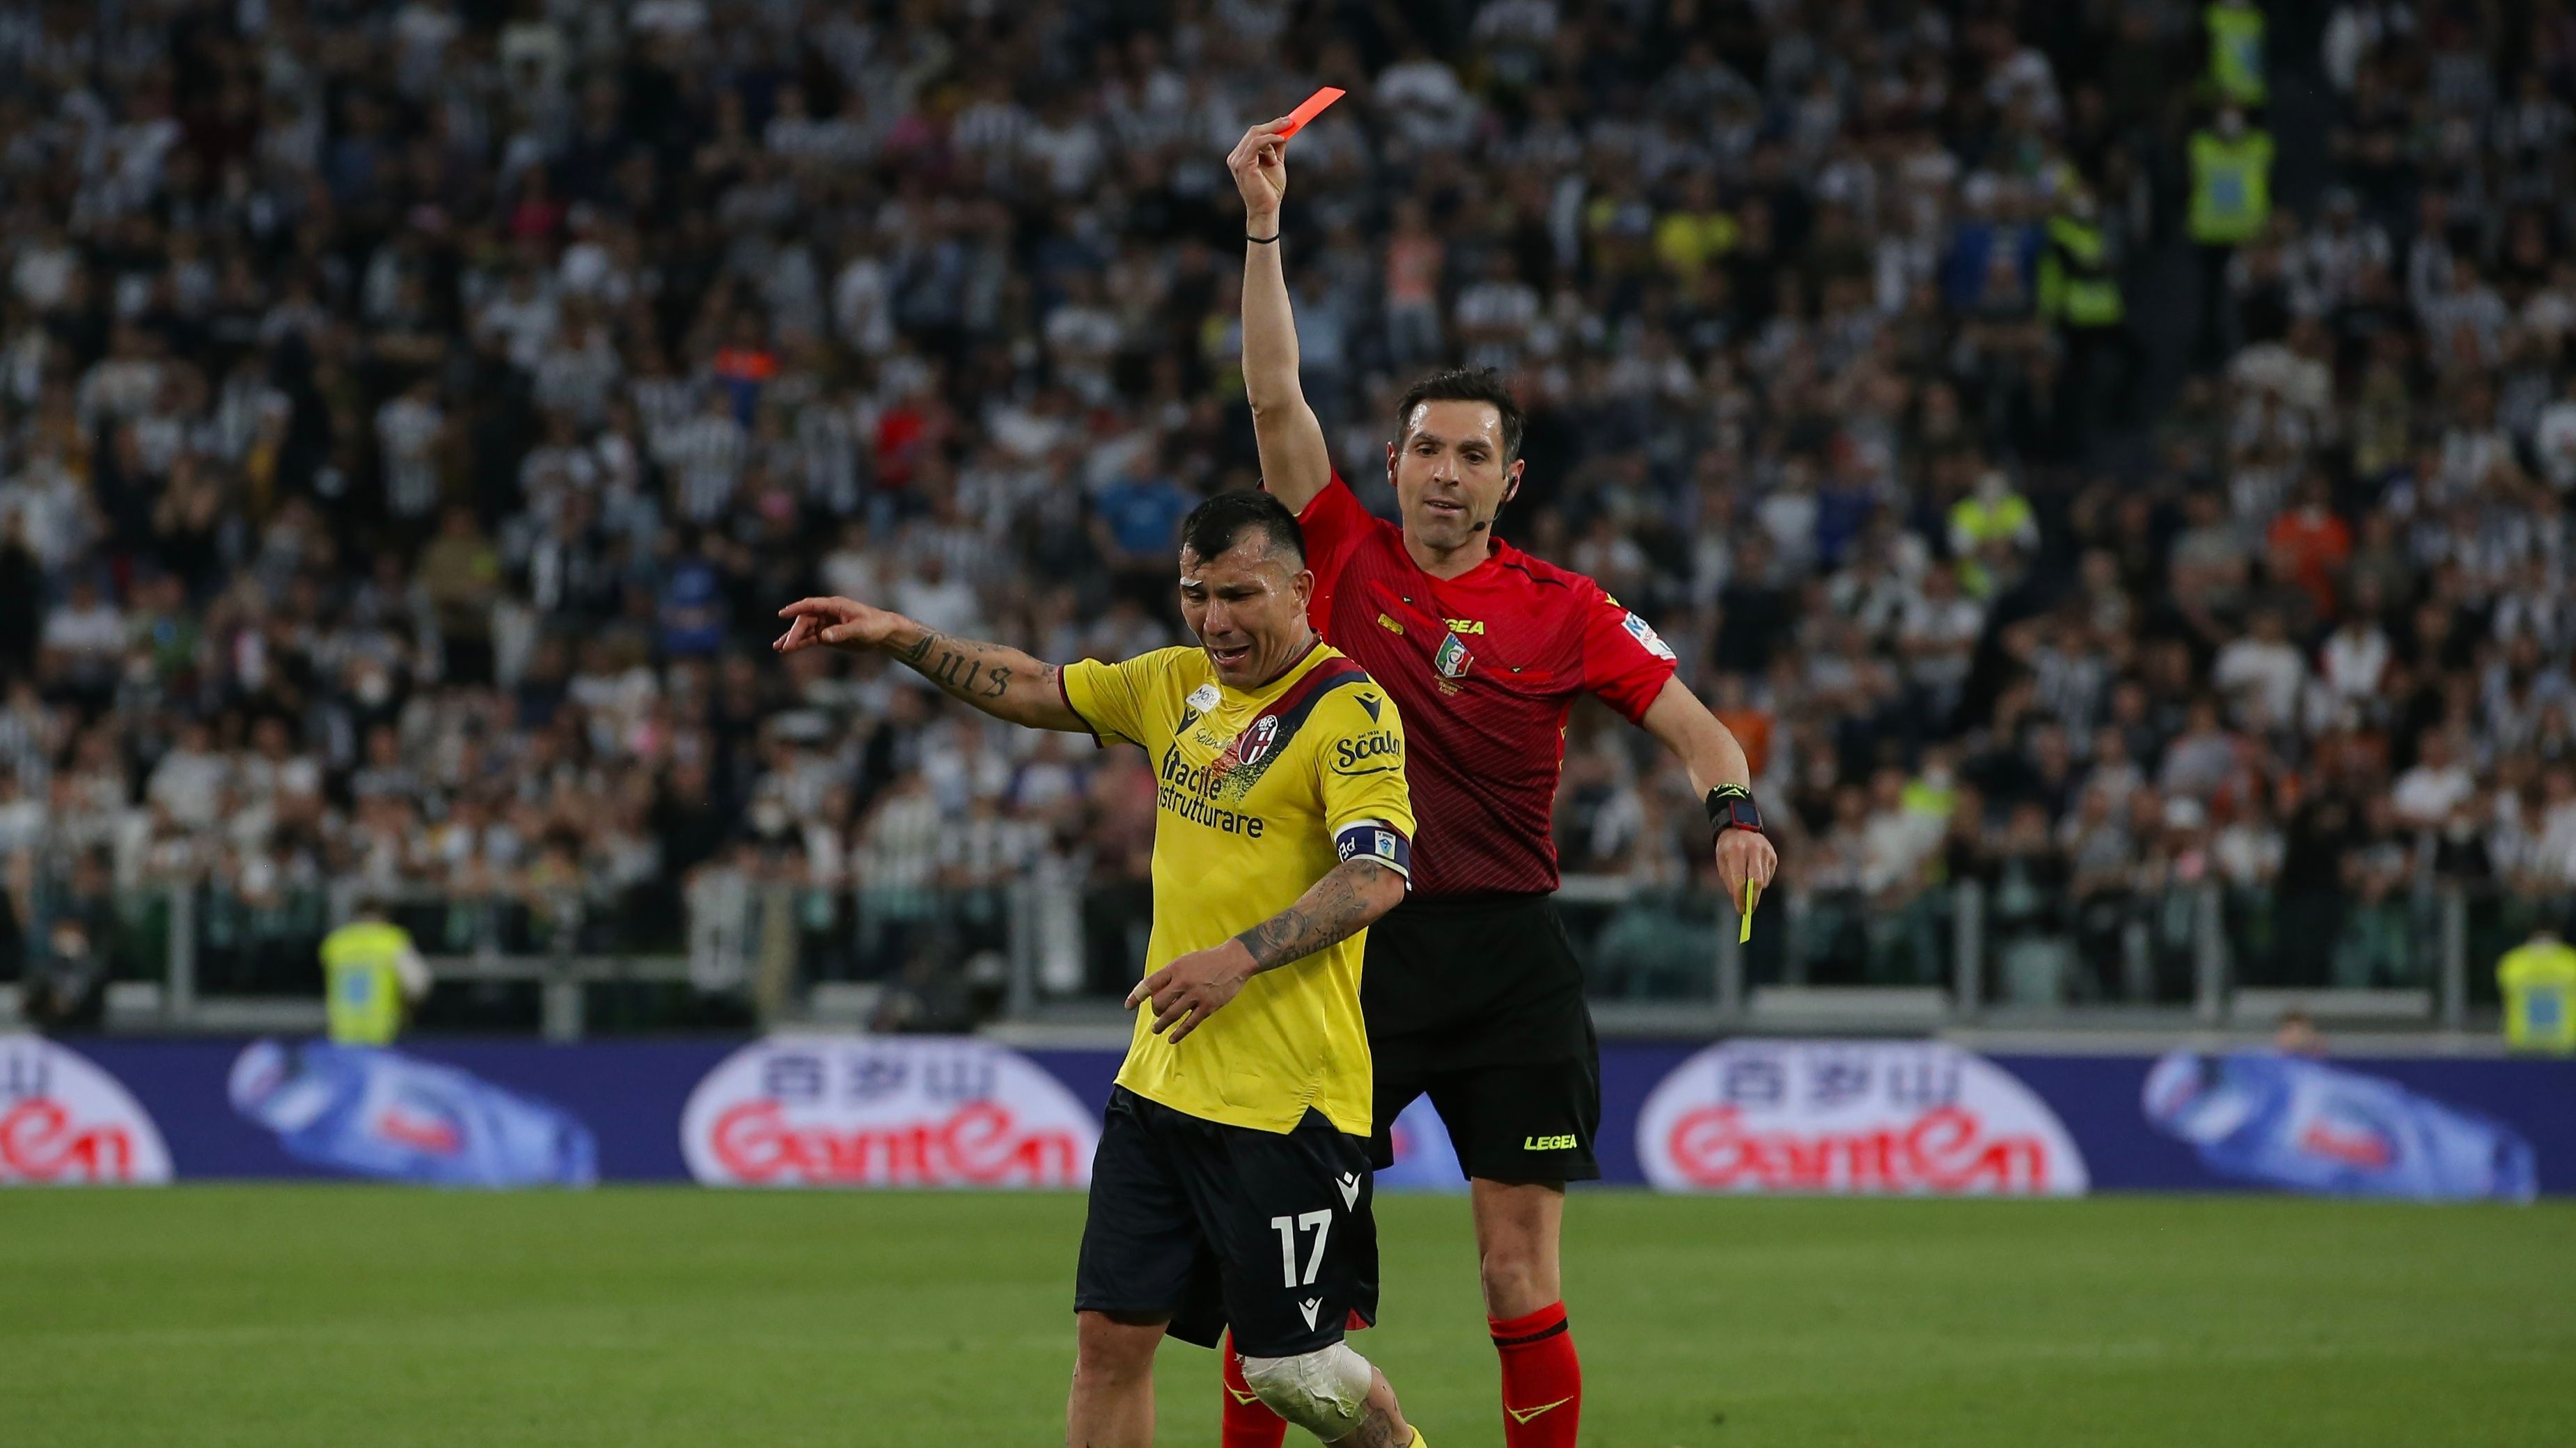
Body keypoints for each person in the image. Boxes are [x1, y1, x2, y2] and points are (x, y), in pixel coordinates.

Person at [1220, 117, 1780, 1448]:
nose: (1448, 472)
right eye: (1428, 449)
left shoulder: (1568, 609)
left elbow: (1704, 732)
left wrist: (1735, 816)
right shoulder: (1343, 556)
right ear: (1399, 460)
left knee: (1516, 1275)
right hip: (1362, 951)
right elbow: (1272, 399)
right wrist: (1261, 227)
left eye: (1476, 454)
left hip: (1512, 961)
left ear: (1509, 478)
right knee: (1292, 1283)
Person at [776, 491, 1431, 1448]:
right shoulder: (1175, 685)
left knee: (1291, 1372)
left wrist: (1237, 959)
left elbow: (1378, 874)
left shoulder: (1350, 713)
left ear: (1300, 589)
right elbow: (1034, 686)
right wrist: (897, 637)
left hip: (1287, 1103)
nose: (1214, 621)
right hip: (1160, 1086)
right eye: (1194, 594)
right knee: (1109, 1341)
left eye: (1239, 595)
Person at [318, 898, 432, 1046]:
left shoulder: (336, 942)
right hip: (380, 1032)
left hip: (342, 1030)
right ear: (386, 916)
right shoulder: (392, 942)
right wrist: (408, 1010)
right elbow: (418, 984)